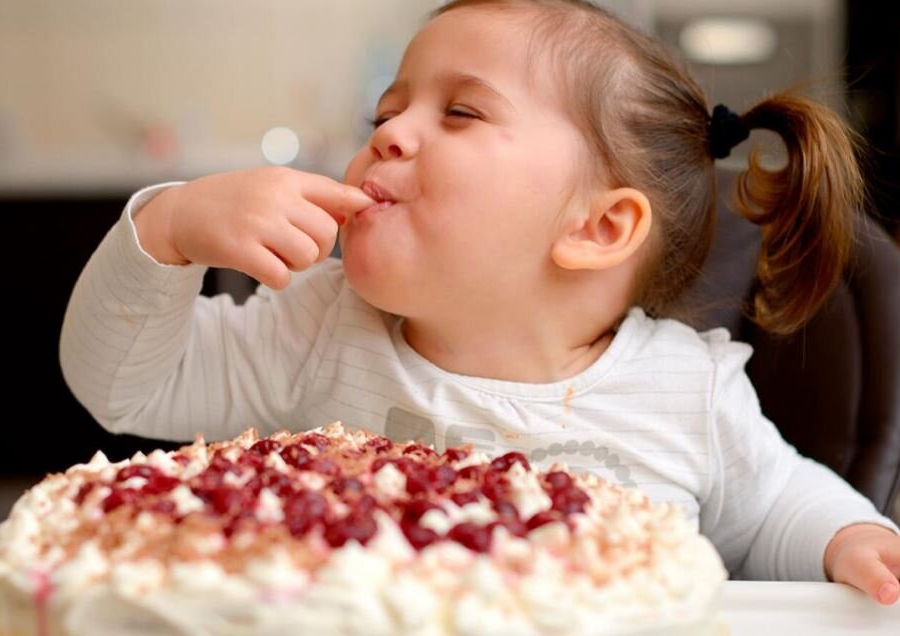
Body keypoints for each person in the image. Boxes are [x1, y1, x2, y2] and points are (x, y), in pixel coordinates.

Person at [60, 0, 900, 604]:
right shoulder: (319, 327)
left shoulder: (688, 394)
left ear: (600, 226)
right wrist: (165, 228)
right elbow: (126, 384)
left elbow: (782, 502)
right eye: (384, 111)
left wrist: (853, 540)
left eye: (459, 111)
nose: (386, 134)